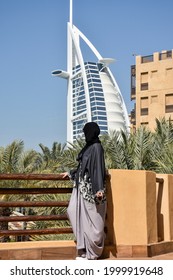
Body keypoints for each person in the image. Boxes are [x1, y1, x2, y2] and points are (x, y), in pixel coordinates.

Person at [62, 122, 107, 260]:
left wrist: (99, 189)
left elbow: (98, 168)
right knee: (73, 212)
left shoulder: (97, 147)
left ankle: (92, 251)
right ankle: (83, 248)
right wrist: (70, 173)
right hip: (81, 187)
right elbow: (82, 166)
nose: (85, 135)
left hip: (91, 190)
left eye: (86, 132)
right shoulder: (88, 147)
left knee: (94, 220)